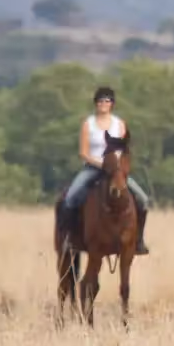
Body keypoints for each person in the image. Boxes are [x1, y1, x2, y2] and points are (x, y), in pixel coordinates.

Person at [58, 86, 151, 255]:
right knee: (70, 197)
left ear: (112, 104)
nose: (103, 104)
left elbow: (124, 151)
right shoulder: (88, 124)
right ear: (96, 103)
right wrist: (101, 165)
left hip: (116, 171)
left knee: (143, 200)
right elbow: (83, 153)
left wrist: (118, 167)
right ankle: (70, 238)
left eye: (107, 101)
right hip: (93, 168)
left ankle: (138, 240)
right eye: (100, 101)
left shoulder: (119, 124)